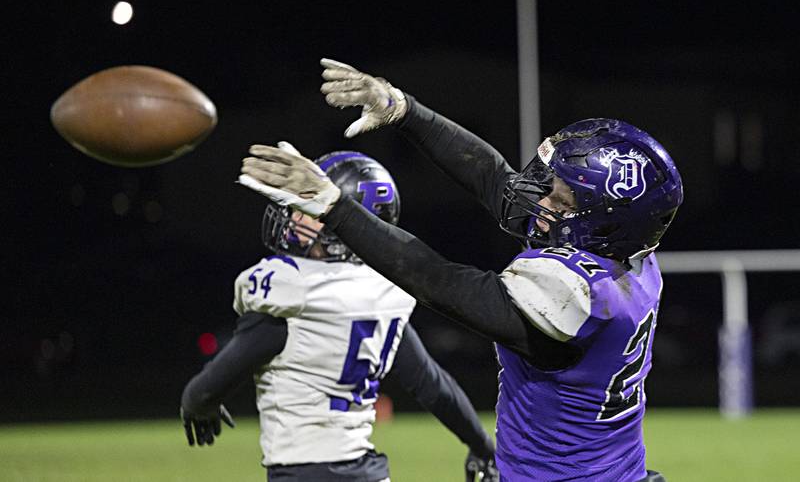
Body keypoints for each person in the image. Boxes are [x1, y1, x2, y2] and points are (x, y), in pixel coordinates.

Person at [237, 58, 684, 482]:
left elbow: (441, 282)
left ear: (603, 223)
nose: (543, 202)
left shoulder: (582, 296)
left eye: (562, 200)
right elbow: (494, 178)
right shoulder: (628, 258)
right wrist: (402, 109)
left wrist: (332, 206)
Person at [181, 148, 497, 482]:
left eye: (309, 209)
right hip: (368, 473)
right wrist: (482, 446)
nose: (296, 217)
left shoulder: (294, 289)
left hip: (302, 472)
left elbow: (211, 385)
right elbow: (435, 386)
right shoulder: (384, 294)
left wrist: (197, 403)